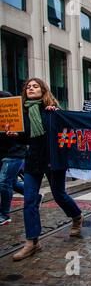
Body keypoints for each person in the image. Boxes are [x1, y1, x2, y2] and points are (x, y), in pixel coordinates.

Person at [5, 78, 84, 261]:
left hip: (54, 160)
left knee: (59, 195)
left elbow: (66, 131)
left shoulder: (53, 111)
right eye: (28, 87)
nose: (31, 88)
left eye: (35, 86)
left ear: (43, 90)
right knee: (29, 200)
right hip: (33, 160)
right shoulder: (23, 112)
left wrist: (56, 114)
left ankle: (77, 216)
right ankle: (32, 242)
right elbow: (27, 138)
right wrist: (14, 135)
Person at [0, 91, 27, 226]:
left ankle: (4, 214)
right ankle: (33, 195)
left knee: (4, 183)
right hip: (3, 153)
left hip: (14, 154)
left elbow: (22, 135)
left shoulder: (16, 115)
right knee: (10, 182)